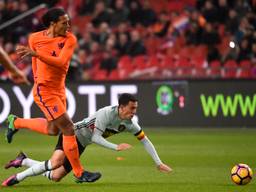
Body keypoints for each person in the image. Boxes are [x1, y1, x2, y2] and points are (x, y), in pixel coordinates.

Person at [6, 7, 100, 183]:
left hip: (59, 90)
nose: (68, 25)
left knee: (52, 130)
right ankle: (79, 173)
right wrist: (38, 81)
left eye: (68, 22)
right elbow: (35, 64)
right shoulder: (34, 38)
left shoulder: (69, 39)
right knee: (68, 128)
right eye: (64, 22)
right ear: (52, 24)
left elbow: (61, 62)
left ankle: (16, 121)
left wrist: (37, 54)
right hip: (45, 90)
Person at [2, 93, 172, 187]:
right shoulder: (106, 113)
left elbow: (145, 140)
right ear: (121, 107)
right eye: (131, 108)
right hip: (72, 135)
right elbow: (96, 138)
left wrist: (158, 162)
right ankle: (18, 178)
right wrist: (116, 147)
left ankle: (23, 161)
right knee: (55, 162)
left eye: (135, 108)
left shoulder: (129, 124)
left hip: (81, 145)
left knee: (56, 176)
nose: (134, 112)